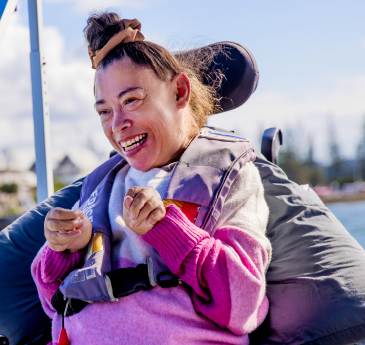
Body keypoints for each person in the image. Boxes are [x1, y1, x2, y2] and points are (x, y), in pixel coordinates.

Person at [31, 12, 271, 345]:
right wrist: (63, 250)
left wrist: (168, 229)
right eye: (104, 111)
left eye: (131, 100)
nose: (117, 124)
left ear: (180, 91)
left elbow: (242, 304)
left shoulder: (229, 179)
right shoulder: (102, 186)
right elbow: (51, 302)